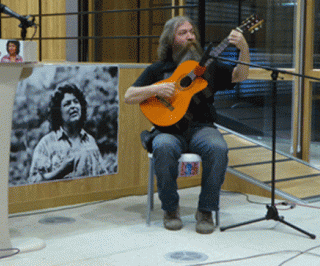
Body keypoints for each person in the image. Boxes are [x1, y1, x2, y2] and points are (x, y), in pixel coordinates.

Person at [124, 16, 249, 234]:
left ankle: (206, 211)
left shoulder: (208, 68)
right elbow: (129, 96)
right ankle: (171, 209)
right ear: (170, 40)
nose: (190, 36)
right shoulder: (160, 69)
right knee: (162, 147)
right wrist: (155, 89)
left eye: (192, 32)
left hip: (202, 128)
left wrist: (243, 48)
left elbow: (240, 76)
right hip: (168, 130)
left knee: (218, 148)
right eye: (183, 33)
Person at [28, 83, 104, 183]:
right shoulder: (47, 143)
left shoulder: (90, 140)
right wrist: (60, 171)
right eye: (67, 104)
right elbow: (33, 182)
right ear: (58, 112)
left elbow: (103, 176)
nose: (73, 106)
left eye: (76, 102)